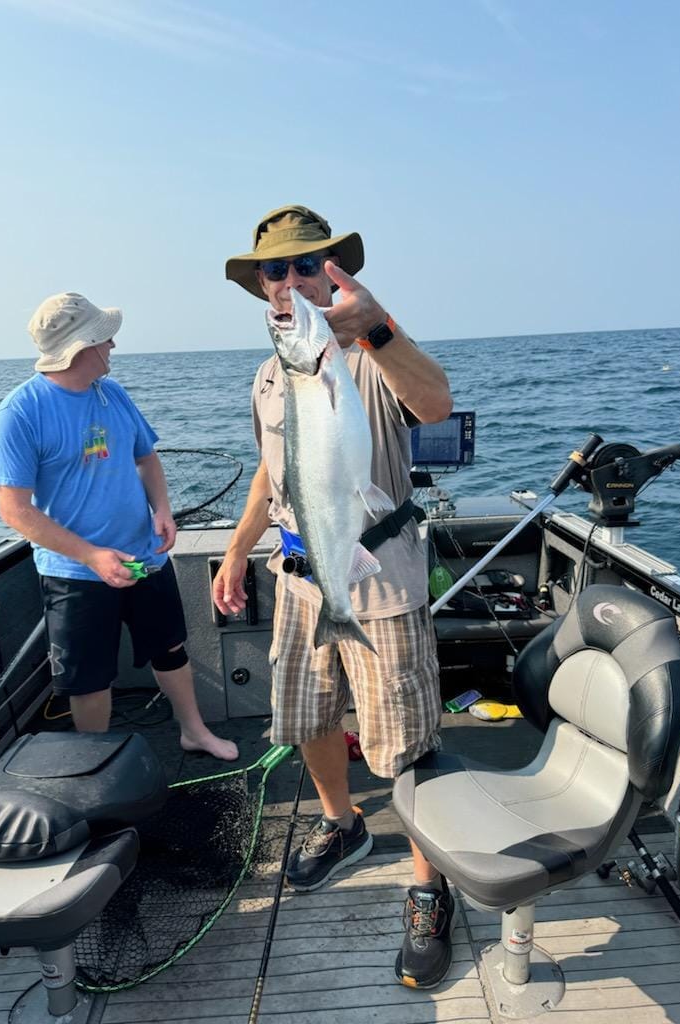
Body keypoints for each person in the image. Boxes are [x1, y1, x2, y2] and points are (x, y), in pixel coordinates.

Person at [216, 205, 455, 988]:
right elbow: (271, 471)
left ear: (335, 272)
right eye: (276, 271)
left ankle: (429, 883)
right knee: (309, 715)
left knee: (405, 738)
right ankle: (342, 824)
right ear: (261, 287)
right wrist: (234, 551)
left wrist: (378, 327)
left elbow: (435, 406)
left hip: (378, 579)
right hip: (299, 578)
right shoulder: (272, 369)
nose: (292, 281)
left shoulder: (367, 350)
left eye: (308, 265)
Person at [0, 292, 238, 761]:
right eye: (105, 337)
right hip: (75, 573)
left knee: (170, 648)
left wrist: (162, 509)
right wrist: (92, 556)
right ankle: (97, 767)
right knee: (90, 678)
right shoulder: (19, 413)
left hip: (143, 558)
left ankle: (194, 731)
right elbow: (15, 510)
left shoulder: (112, 393)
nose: (114, 344)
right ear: (83, 348)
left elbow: (146, 457)